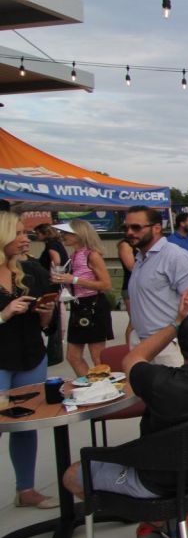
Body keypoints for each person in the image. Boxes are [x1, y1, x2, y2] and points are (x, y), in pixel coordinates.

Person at [62, 288, 188, 538]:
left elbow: (133, 358)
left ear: (181, 346)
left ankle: (156, 517)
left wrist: (177, 325)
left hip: (157, 484)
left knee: (71, 476)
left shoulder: (161, 383)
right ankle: (169, 518)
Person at [0, 211, 58, 509]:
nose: (26, 238)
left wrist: (45, 312)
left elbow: (45, 323)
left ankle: (26, 490)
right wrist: (5, 314)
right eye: (19, 233)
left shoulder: (29, 271)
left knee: (26, 424)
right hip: (1, 361)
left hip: (31, 355)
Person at [124, 205, 188, 366]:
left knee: (176, 391)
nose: (129, 232)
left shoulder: (175, 256)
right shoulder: (142, 258)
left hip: (169, 347)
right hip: (142, 343)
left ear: (156, 228)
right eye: (125, 227)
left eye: (136, 227)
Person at [50, 220, 114, 377]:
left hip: (93, 305)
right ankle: (90, 385)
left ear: (79, 234)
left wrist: (74, 280)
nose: (63, 236)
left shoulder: (91, 255)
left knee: (97, 356)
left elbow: (106, 284)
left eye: (67, 233)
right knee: (73, 356)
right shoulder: (74, 255)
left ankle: (104, 389)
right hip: (79, 305)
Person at [34, 223, 69, 363]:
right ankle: (55, 347)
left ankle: (54, 349)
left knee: (53, 314)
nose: (36, 236)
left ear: (44, 233)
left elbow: (56, 261)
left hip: (52, 284)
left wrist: (51, 276)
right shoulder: (58, 244)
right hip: (57, 283)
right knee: (58, 313)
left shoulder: (51, 245)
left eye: (37, 233)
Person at [117, 235, 135, 342]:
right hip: (130, 287)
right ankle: (128, 349)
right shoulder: (125, 245)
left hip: (144, 287)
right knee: (134, 321)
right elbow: (131, 266)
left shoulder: (141, 245)